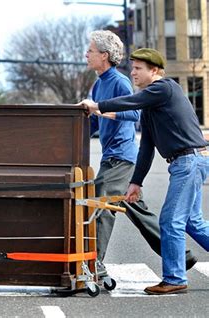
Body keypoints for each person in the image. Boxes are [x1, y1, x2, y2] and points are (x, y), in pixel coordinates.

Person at [81, 48, 209, 295]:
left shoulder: (164, 88)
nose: (133, 72)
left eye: (139, 68)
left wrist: (96, 106)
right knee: (192, 223)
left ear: (155, 71)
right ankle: (174, 276)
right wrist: (135, 182)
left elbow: (131, 101)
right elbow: (147, 147)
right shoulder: (153, 104)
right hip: (186, 162)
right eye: (134, 67)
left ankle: (174, 278)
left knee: (171, 220)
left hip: (189, 161)